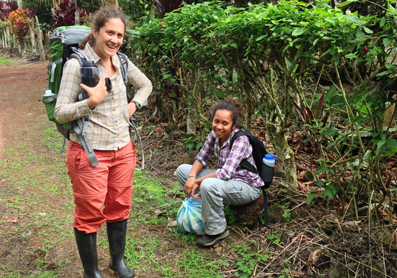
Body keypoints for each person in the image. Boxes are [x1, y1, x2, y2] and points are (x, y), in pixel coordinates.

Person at [54, 7, 152, 278]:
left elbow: (146, 85)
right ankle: (91, 272)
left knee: (120, 207)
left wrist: (133, 105)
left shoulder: (121, 61)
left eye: (119, 35)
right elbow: (60, 112)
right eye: (109, 32)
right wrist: (91, 102)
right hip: (89, 154)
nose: (115, 39)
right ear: (95, 32)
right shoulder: (77, 65)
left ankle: (116, 262)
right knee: (89, 214)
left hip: (123, 150)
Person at [176, 98, 263, 248]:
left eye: (225, 123)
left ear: (233, 125)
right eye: (216, 121)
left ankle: (217, 230)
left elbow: (226, 173)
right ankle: (201, 213)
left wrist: (198, 181)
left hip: (246, 186)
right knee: (183, 170)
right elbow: (201, 158)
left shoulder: (240, 140)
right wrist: (191, 177)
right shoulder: (214, 135)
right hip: (227, 182)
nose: (219, 127)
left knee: (207, 184)